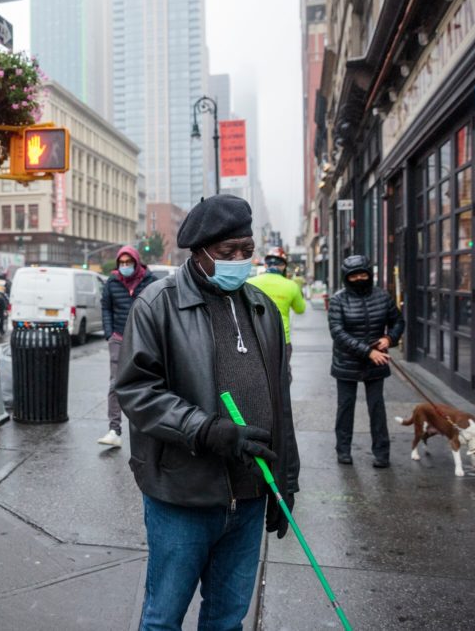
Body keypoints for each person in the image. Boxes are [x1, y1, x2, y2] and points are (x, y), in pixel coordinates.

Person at [116, 194, 300, 631]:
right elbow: (136, 390)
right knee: (163, 619)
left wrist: (286, 483)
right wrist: (205, 430)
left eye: (246, 251)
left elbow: (281, 402)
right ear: (198, 253)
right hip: (184, 495)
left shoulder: (263, 308)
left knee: (226, 620)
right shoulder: (156, 305)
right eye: (226, 253)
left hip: (252, 493)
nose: (239, 260)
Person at [328, 254, 405, 468]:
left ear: (369, 274)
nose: (359, 278)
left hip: (376, 363)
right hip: (346, 362)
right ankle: (343, 450)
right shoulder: (338, 300)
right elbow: (338, 333)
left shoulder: (382, 297)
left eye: (363, 274)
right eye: (354, 276)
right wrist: (368, 352)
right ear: (346, 277)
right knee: (345, 407)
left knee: (377, 408)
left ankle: (382, 453)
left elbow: (398, 321)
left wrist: (389, 338)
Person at [98, 245, 155, 447]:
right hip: (118, 338)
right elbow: (106, 307)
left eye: (128, 262)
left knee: (143, 381)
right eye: (121, 263)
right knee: (115, 383)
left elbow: (156, 306)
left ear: (136, 262)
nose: (124, 266)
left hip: (142, 338)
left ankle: (146, 429)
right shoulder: (112, 282)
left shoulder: (150, 281)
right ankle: (114, 429)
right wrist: (109, 333)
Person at [247, 246, 306, 380]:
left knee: (259, 374)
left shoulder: (250, 283)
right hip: (282, 338)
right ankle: (282, 400)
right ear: (284, 266)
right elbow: (300, 309)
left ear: (266, 264)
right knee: (282, 375)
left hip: (256, 336)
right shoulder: (291, 285)